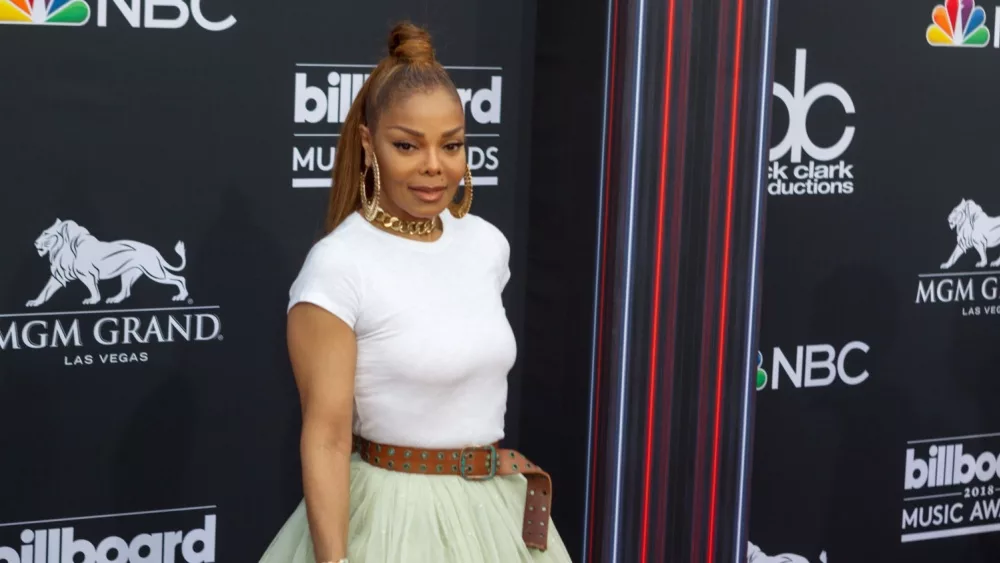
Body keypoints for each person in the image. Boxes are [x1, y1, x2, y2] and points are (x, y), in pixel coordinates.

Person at [258, 21, 574, 563]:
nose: (434, 165)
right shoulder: (338, 267)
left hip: (495, 513)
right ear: (368, 143)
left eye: (451, 145)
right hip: (391, 524)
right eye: (407, 145)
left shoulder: (485, 245)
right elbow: (328, 441)